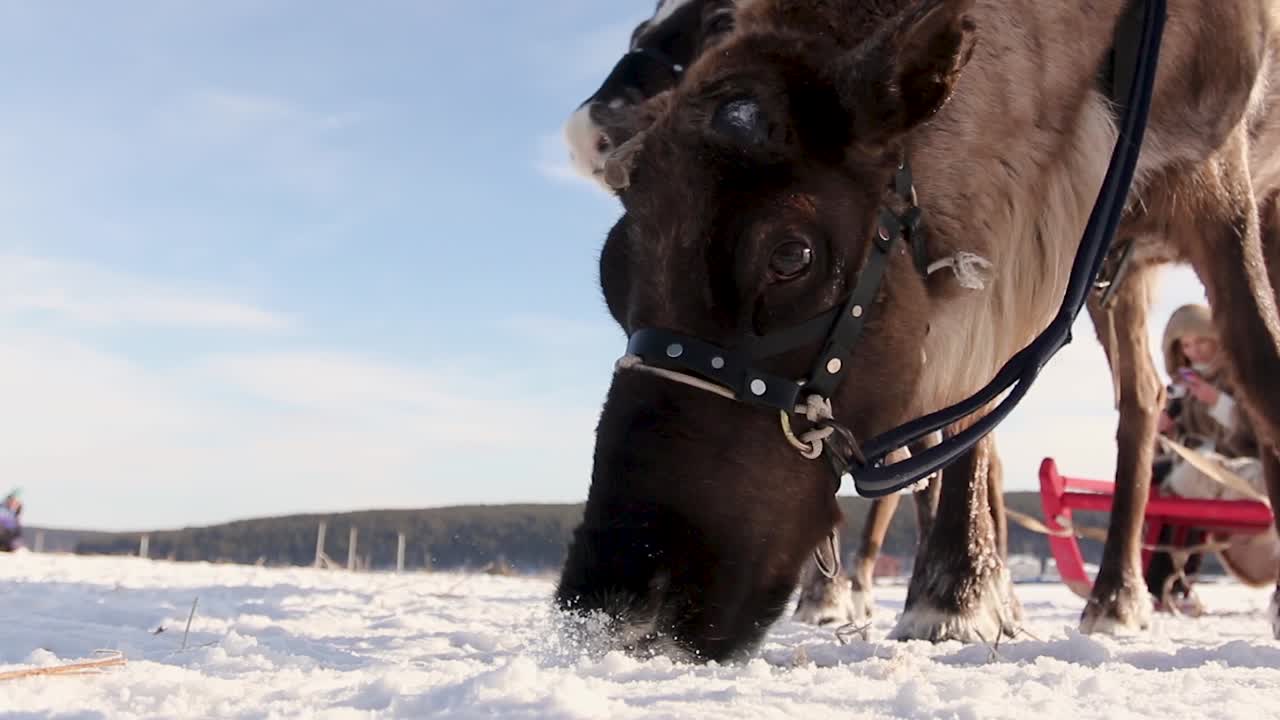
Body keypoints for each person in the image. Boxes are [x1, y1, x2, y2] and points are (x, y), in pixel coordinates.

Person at [1145, 304, 1277, 610]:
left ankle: (1172, 582)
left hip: (1238, 471)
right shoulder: (1180, 389)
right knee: (1174, 494)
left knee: (1188, 487)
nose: (1195, 352)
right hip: (1192, 470)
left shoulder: (1241, 380)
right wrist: (1164, 428)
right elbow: (1175, 442)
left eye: (1202, 342)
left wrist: (1217, 401)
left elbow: (1258, 429)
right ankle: (1165, 582)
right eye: (1187, 345)